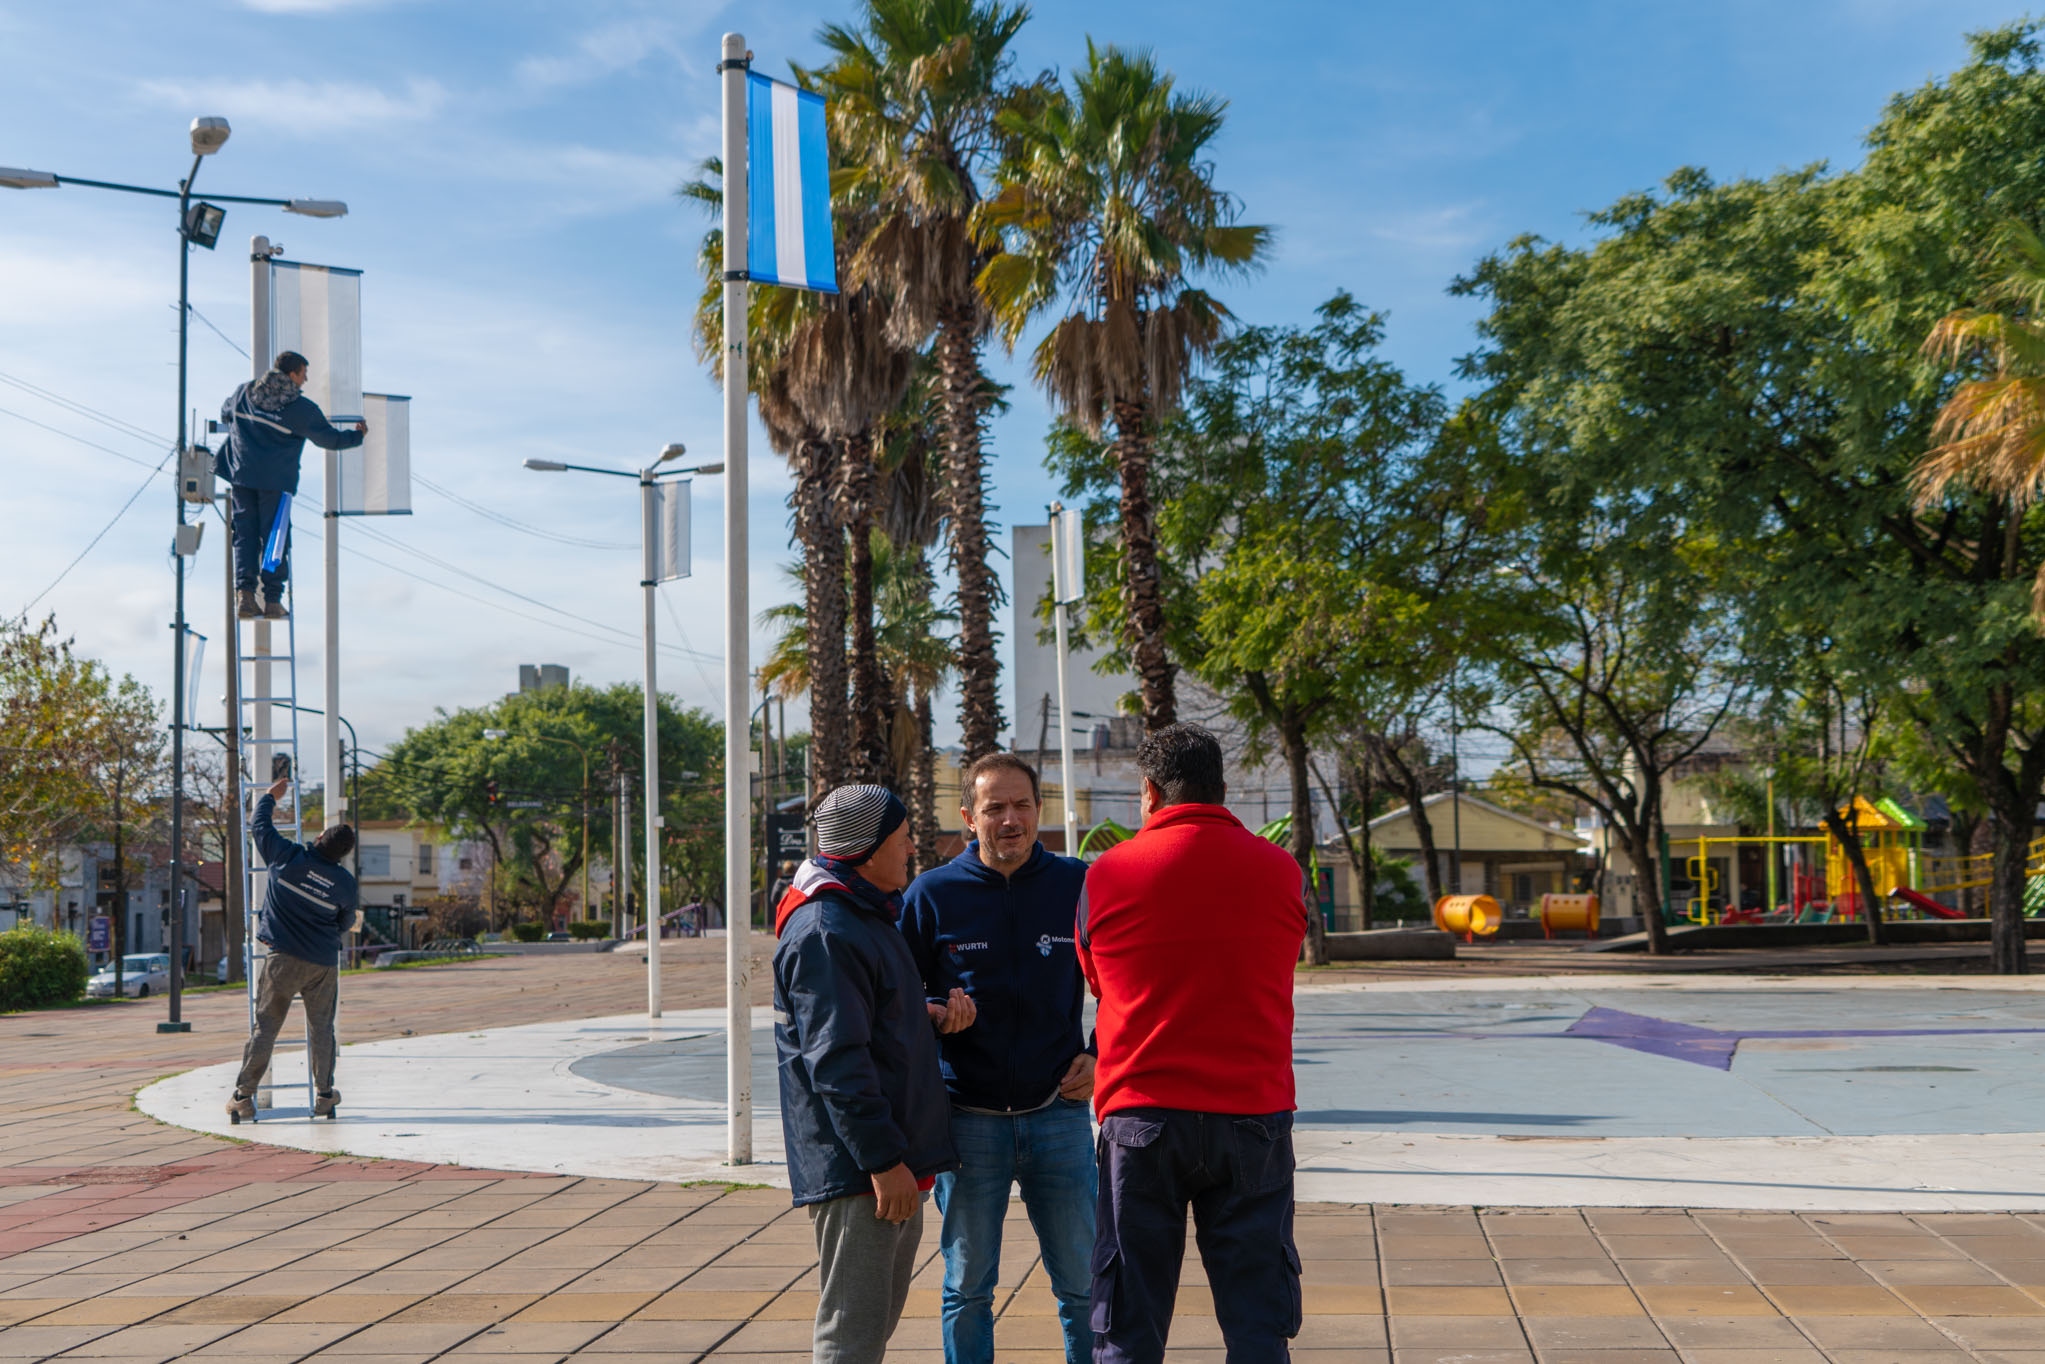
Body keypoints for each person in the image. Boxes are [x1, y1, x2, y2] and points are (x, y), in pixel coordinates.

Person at [1077, 724, 1309, 1364]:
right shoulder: (1280, 870)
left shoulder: (1108, 874)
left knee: (1128, 1324)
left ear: (1148, 792)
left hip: (1141, 1115)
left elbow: (1096, 978)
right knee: (1258, 1323)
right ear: (1223, 789)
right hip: (1253, 1116)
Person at [901, 753, 1095, 1364]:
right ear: (967, 817)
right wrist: (936, 1012)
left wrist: (1101, 1052)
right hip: (966, 1123)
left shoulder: (1078, 885)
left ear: (1041, 811)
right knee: (966, 1289)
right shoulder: (930, 895)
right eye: (994, 808)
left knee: (1085, 1288)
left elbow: (1127, 983)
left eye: (1021, 806)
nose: (1009, 820)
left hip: (1058, 1113)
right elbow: (896, 1003)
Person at [773, 783, 968, 1364]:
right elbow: (836, 1061)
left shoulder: (862, 916)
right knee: (851, 1335)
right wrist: (884, 1163)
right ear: (866, 847)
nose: (913, 850)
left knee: (870, 1326)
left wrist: (921, 1016)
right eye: (904, 839)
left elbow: (861, 1027)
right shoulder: (828, 930)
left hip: (884, 1161)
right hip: (865, 1169)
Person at [227, 777, 360, 1122]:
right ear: (343, 856)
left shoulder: (286, 857)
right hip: (322, 964)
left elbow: (259, 825)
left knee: (266, 1027)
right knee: (321, 1029)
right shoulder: (345, 883)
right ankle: (325, 1095)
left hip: (282, 959)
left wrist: (272, 797)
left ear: (318, 839)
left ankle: (243, 1096)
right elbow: (346, 922)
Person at [216, 350, 366, 620]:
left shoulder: (243, 393)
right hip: (275, 482)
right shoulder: (301, 409)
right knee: (275, 538)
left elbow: (225, 412)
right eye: (304, 374)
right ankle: (273, 601)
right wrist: (357, 436)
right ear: (293, 373)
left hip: (241, 476)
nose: (305, 380)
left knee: (244, 536)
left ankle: (245, 597)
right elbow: (330, 440)